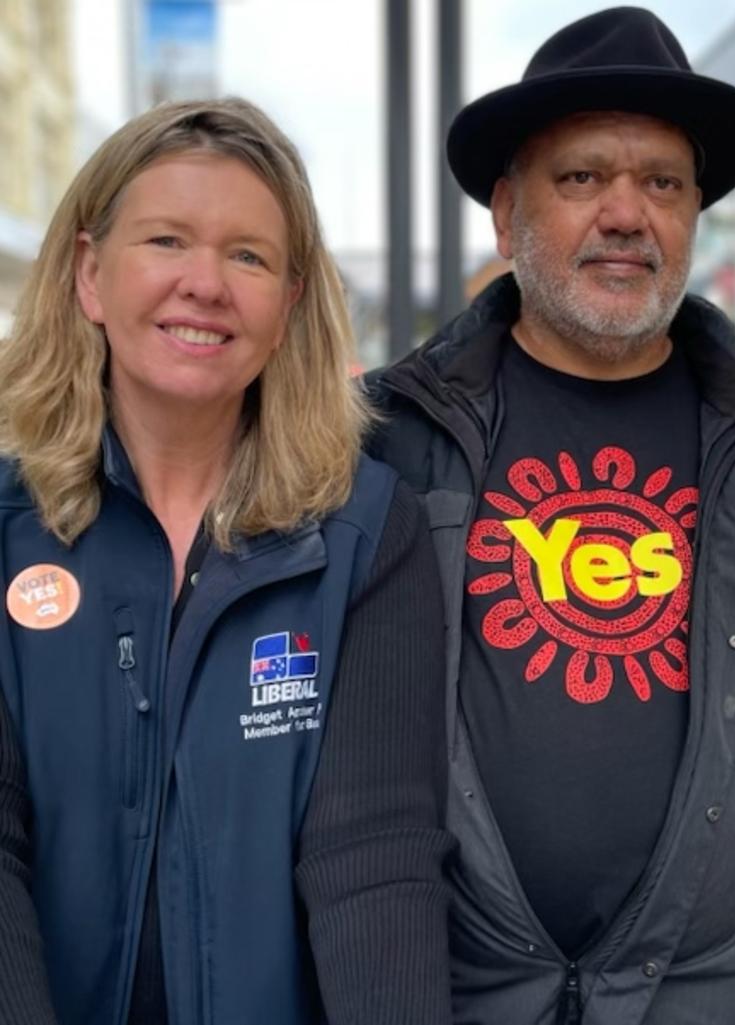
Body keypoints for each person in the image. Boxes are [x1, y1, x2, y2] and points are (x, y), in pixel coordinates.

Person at [0, 97, 452, 1025]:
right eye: (166, 240)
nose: (205, 284)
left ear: (288, 306)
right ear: (89, 274)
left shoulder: (365, 533)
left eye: (248, 255)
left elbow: (374, 861)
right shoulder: (7, 522)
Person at [368, 7, 735, 1024]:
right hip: (463, 991)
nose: (628, 213)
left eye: (664, 183)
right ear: (506, 216)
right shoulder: (385, 440)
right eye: (583, 177)